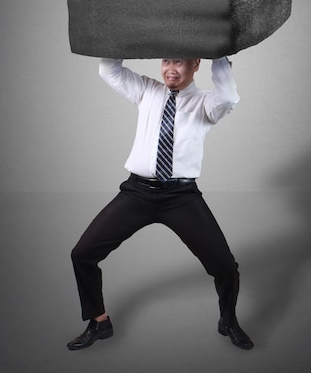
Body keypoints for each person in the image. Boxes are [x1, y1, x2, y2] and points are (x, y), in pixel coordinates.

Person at [67, 57, 254, 351]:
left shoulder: (207, 103)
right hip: (137, 193)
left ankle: (228, 321)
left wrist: (219, 52)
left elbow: (229, 96)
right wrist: (124, 38)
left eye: (179, 62)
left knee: (225, 267)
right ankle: (99, 322)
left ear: (195, 65)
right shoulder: (146, 90)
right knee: (82, 254)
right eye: (166, 61)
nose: (170, 69)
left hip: (180, 197)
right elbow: (108, 70)